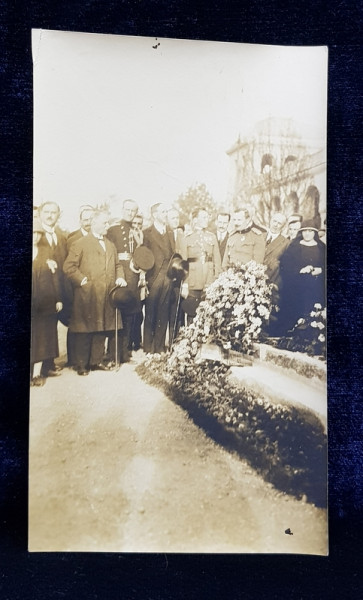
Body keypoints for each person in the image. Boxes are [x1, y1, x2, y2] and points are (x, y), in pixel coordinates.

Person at [63, 210, 127, 375]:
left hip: (107, 295)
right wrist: (82, 281)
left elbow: (118, 265)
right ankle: (82, 365)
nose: (107, 226)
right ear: (95, 223)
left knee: (101, 328)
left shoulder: (110, 244)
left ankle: (95, 361)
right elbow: (69, 267)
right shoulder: (80, 243)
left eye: (108, 223)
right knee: (85, 330)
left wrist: (120, 277)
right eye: (105, 223)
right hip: (88, 294)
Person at [107, 199, 142, 361]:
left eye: (133, 210)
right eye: (127, 209)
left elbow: (141, 254)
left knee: (130, 313)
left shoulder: (137, 231)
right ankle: (112, 353)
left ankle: (124, 352)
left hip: (133, 275)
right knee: (117, 313)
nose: (130, 213)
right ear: (122, 209)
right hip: (119, 274)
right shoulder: (113, 229)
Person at [277, 219, 325, 334]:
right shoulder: (294, 246)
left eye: (310, 231)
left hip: (315, 287)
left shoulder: (322, 247)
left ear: (315, 232)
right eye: (304, 231)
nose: (307, 233)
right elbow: (285, 265)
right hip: (296, 287)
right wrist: (299, 270)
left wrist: (321, 270)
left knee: (313, 313)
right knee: (295, 312)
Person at [38, 201, 69, 375]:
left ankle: (49, 363)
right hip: (41, 289)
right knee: (41, 328)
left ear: (58, 215)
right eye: (47, 212)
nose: (50, 216)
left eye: (54, 212)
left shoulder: (61, 236)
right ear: (41, 214)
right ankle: (39, 367)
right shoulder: (35, 235)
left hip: (58, 289)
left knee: (52, 327)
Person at [31, 218, 63, 386]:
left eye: (38, 233)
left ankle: (37, 375)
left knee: (43, 337)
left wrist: (58, 299)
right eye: (33, 233)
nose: (35, 236)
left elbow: (55, 278)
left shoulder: (46, 253)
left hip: (45, 302)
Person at [143, 203, 175, 353]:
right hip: (154, 276)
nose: (166, 214)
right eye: (163, 212)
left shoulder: (169, 232)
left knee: (164, 311)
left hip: (168, 276)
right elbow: (143, 256)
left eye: (166, 211)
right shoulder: (147, 233)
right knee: (151, 312)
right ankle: (149, 347)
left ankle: (160, 346)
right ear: (155, 215)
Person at [183, 207, 221, 321]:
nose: (207, 220)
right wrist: (185, 284)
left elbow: (217, 260)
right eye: (203, 217)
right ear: (195, 220)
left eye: (207, 217)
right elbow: (183, 263)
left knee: (209, 313)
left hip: (209, 280)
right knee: (192, 313)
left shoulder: (212, 237)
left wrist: (217, 279)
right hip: (193, 280)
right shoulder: (187, 238)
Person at [263, 213, 290, 335]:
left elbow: (285, 267)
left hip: (271, 281)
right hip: (252, 281)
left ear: (283, 227)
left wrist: (276, 284)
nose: (275, 225)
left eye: (279, 223)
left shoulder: (285, 243)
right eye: (274, 221)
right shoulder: (260, 237)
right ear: (270, 220)